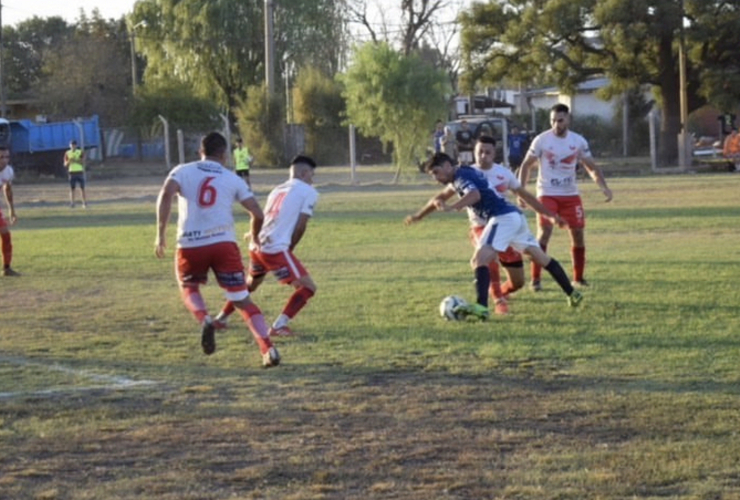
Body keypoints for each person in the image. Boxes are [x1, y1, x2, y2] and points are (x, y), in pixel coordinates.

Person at [405, 152, 583, 320]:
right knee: (540, 256)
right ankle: (572, 293)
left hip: (502, 217)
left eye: (436, 172)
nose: (436, 178)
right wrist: (419, 215)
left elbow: (475, 195)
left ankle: (481, 307)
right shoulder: (464, 173)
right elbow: (441, 198)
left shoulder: (461, 177)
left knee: (479, 260)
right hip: (515, 217)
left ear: (446, 165)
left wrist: (453, 207)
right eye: (432, 175)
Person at [155, 131, 280, 368]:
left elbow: (166, 194)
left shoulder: (182, 170)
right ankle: (268, 349)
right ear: (224, 154)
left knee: (188, 286)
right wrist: (254, 237)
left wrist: (160, 233)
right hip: (224, 245)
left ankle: (205, 320)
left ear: (200, 151)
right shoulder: (232, 178)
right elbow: (258, 212)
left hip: (190, 244)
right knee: (243, 300)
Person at [214, 155, 319, 336]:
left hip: (258, 246)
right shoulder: (308, 191)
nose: (312, 179)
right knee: (307, 287)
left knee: (250, 285)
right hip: (275, 249)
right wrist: (289, 247)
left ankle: (220, 318)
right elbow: (301, 224)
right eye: (311, 175)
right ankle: (279, 326)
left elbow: (261, 216)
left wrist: (253, 236)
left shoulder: (277, 189)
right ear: (304, 173)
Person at [518, 103, 613, 291]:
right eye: (553, 120)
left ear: (568, 119)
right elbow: (526, 165)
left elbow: (591, 167)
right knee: (544, 233)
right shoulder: (541, 140)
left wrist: (604, 187)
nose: (556, 124)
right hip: (547, 194)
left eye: (560, 120)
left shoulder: (578, 141)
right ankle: (535, 280)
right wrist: (522, 191)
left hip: (570, 195)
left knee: (578, 234)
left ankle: (578, 279)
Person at [0, 146, 20, 277]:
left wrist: (11, 210)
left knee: (6, 234)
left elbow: (7, 189)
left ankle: (7, 268)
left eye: (7, 157)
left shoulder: (8, 171)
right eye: (1, 157)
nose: (4, 160)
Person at [64, 140, 87, 208]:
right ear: (69, 145)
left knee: (82, 188)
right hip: (72, 172)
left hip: (79, 171)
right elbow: (65, 164)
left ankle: (84, 203)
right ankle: (72, 203)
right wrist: (69, 161)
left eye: (74, 145)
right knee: (72, 188)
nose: (73, 146)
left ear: (76, 145)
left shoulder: (80, 152)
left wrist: (76, 160)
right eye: (71, 145)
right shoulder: (67, 153)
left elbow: (83, 161)